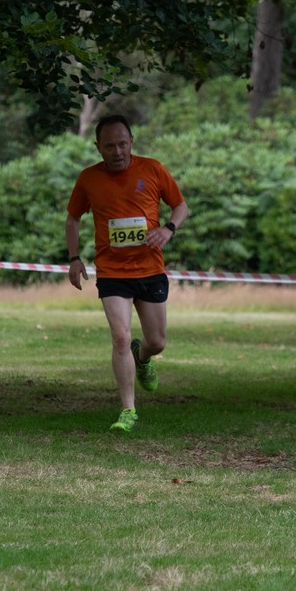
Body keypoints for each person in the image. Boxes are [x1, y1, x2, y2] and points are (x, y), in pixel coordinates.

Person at [65, 114, 189, 433]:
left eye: (122, 144)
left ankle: (142, 356)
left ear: (131, 141)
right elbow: (73, 219)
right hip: (112, 271)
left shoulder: (153, 169)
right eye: (110, 146)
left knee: (157, 341)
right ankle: (128, 410)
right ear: (98, 147)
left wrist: (168, 229)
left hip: (150, 269)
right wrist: (74, 258)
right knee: (119, 336)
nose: (117, 151)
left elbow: (181, 206)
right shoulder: (89, 178)